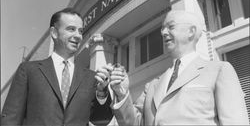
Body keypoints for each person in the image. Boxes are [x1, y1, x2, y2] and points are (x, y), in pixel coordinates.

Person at [103, 10, 249, 125]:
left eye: (170, 27)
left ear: (191, 31)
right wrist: (122, 94)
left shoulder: (219, 70)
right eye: (162, 29)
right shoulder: (153, 86)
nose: (163, 32)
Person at [1, 8, 113, 126]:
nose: (78, 36)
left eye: (80, 31)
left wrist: (102, 93)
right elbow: (11, 118)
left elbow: (101, 120)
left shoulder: (91, 77)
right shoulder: (29, 70)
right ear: (54, 32)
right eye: (71, 29)